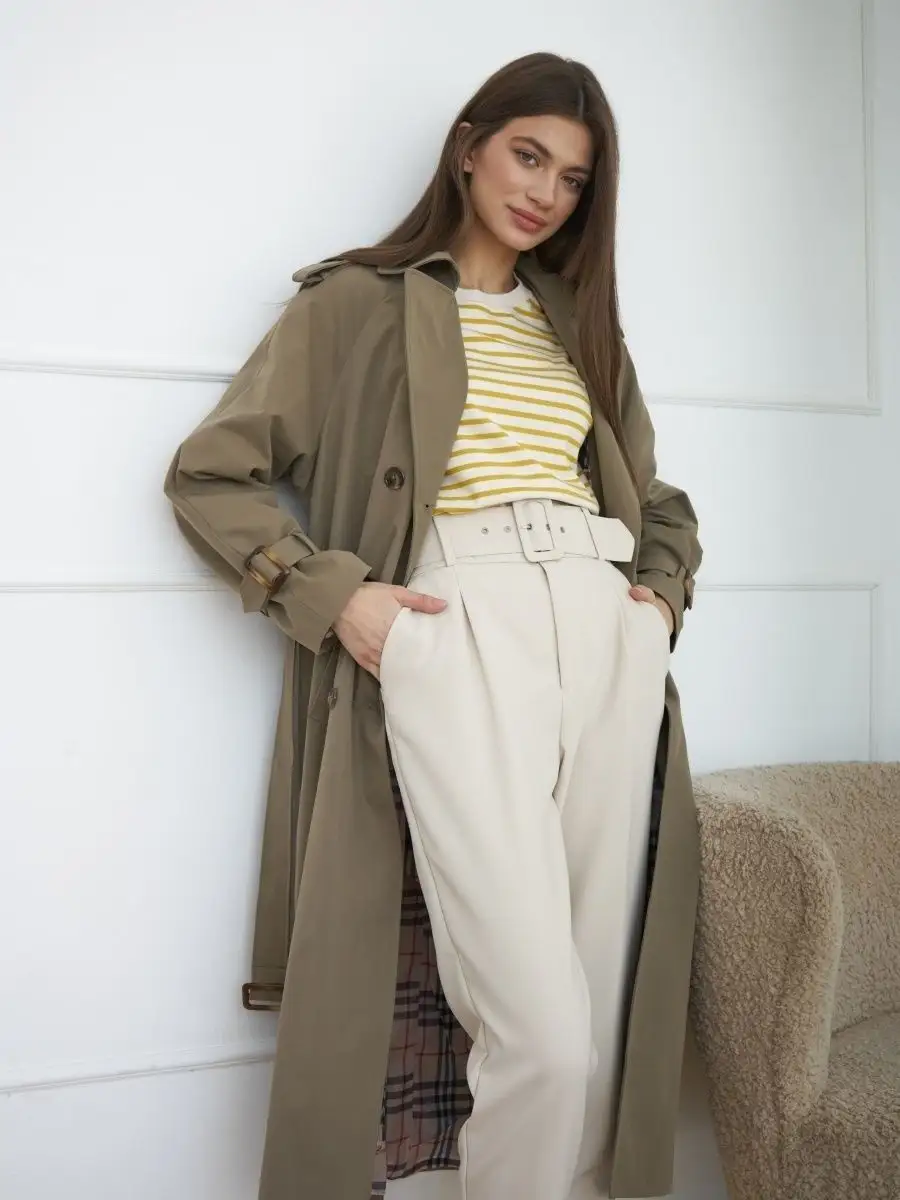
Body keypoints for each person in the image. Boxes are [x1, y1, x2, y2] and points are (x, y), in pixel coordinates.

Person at [164, 51, 702, 1200]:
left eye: (572, 179)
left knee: (596, 1034)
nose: (544, 192)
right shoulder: (355, 305)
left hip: (605, 635)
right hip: (463, 628)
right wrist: (339, 599)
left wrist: (658, 600)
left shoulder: (579, 326)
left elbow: (656, 499)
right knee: (541, 1036)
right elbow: (210, 474)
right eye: (527, 156)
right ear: (468, 147)